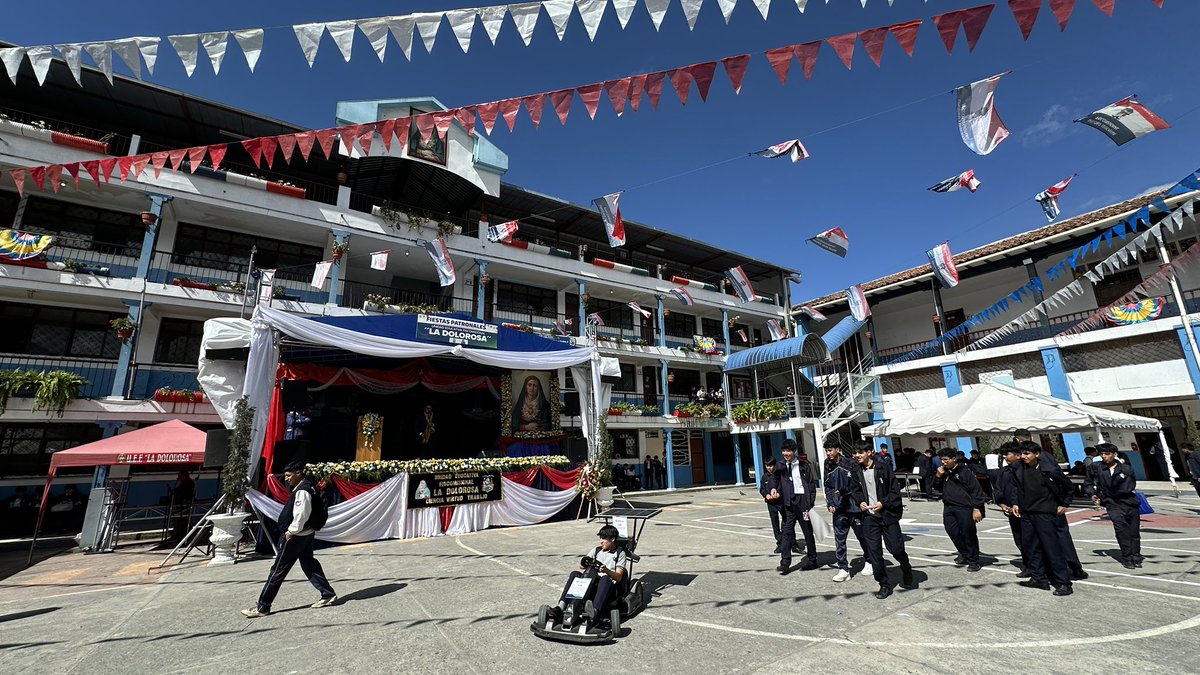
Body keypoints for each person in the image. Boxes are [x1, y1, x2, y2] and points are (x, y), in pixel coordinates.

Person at [242, 462, 337, 617]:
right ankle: (327, 593)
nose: (286, 479)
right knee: (309, 564)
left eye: (288, 475)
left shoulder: (303, 491)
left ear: (298, 473)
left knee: (278, 570)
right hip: (305, 534)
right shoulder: (308, 487)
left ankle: (263, 607)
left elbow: (301, 514)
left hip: (296, 537)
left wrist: (291, 531)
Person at [849, 443, 915, 598]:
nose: (857, 455)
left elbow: (894, 491)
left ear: (870, 453)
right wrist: (860, 502)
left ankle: (906, 568)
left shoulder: (883, 468)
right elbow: (855, 491)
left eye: (860, 452)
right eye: (855, 453)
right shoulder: (856, 471)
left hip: (888, 515)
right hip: (869, 518)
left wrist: (883, 503)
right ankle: (884, 584)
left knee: (896, 549)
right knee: (874, 552)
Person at [1014, 443, 1076, 596]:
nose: (1023, 457)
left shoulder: (1049, 470)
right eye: (1022, 453)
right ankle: (1038, 578)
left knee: (1052, 548)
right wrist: (1016, 503)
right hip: (1027, 514)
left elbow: (1068, 487)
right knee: (1031, 548)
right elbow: (1017, 488)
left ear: (1037, 454)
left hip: (1045, 514)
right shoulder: (1020, 469)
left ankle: (1063, 583)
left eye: (1027, 453)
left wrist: (1064, 504)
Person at [548, 524, 628, 625]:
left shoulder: (620, 553)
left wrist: (606, 571)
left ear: (612, 539)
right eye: (600, 538)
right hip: (593, 583)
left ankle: (595, 611)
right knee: (575, 574)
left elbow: (619, 577)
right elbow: (582, 565)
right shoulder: (597, 550)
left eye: (604, 538)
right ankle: (561, 607)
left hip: (609, 587)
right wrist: (587, 562)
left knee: (605, 579)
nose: (601, 541)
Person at [766, 439, 818, 574]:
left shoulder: (804, 465)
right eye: (783, 451)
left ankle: (812, 559)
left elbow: (811, 484)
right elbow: (774, 479)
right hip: (788, 502)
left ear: (794, 451)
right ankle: (785, 563)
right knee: (787, 532)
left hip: (803, 501)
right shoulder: (780, 465)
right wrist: (773, 489)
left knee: (807, 531)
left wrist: (809, 503)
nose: (785, 453)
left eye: (788, 451)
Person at [1090, 443, 1143, 569]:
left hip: (1129, 501)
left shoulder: (1126, 468)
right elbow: (1088, 482)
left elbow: (1129, 486)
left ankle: (1136, 555)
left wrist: (1108, 491)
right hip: (1112, 503)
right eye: (1101, 454)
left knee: (1133, 531)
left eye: (1107, 454)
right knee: (1121, 529)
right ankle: (1127, 556)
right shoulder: (1096, 467)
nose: (1104, 456)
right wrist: (1093, 494)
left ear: (1115, 455)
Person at [823, 442, 869, 582]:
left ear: (838, 450)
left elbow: (856, 485)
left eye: (830, 450)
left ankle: (870, 560)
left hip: (854, 507)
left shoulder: (850, 463)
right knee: (840, 539)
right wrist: (830, 503)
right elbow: (828, 485)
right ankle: (843, 568)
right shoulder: (827, 464)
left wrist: (844, 492)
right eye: (826, 450)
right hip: (839, 509)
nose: (828, 453)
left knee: (862, 536)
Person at [935, 447, 986, 571]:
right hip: (948, 507)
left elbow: (976, 490)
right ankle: (964, 553)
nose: (943, 462)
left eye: (946, 460)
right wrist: (938, 476)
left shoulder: (964, 471)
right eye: (942, 460)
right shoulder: (944, 472)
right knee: (952, 531)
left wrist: (977, 508)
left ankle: (974, 560)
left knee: (968, 533)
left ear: (953, 459)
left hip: (964, 507)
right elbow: (936, 487)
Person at [992, 442, 1029, 577]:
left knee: (1030, 540)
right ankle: (1028, 565)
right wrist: (1002, 504)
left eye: (1007, 454)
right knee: (1019, 539)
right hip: (1011, 511)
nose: (1005, 457)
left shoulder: (1025, 470)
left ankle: (1038, 566)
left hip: (1026, 511)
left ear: (1017, 455)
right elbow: (997, 489)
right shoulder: (1004, 471)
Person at [760, 459, 783, 554]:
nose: (769, 468)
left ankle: (793, 544)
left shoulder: (779, 475)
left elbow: (783, 486)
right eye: (767, 466)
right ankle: (780, 543)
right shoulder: (765, 477)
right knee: (775, 522)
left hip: (780, 502)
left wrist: (779, 493)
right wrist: (766, 495)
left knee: (787, 522)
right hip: (771, 503)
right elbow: (762, 489)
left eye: (771, 465)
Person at [171, 470, 195, 542]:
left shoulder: (189, 483)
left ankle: (183, 534)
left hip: (185, 504)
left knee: (184, 519)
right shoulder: (182, 483)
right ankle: (178, 533)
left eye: (180, 475)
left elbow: (185, 493)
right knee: (178, 519)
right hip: (179, 504)